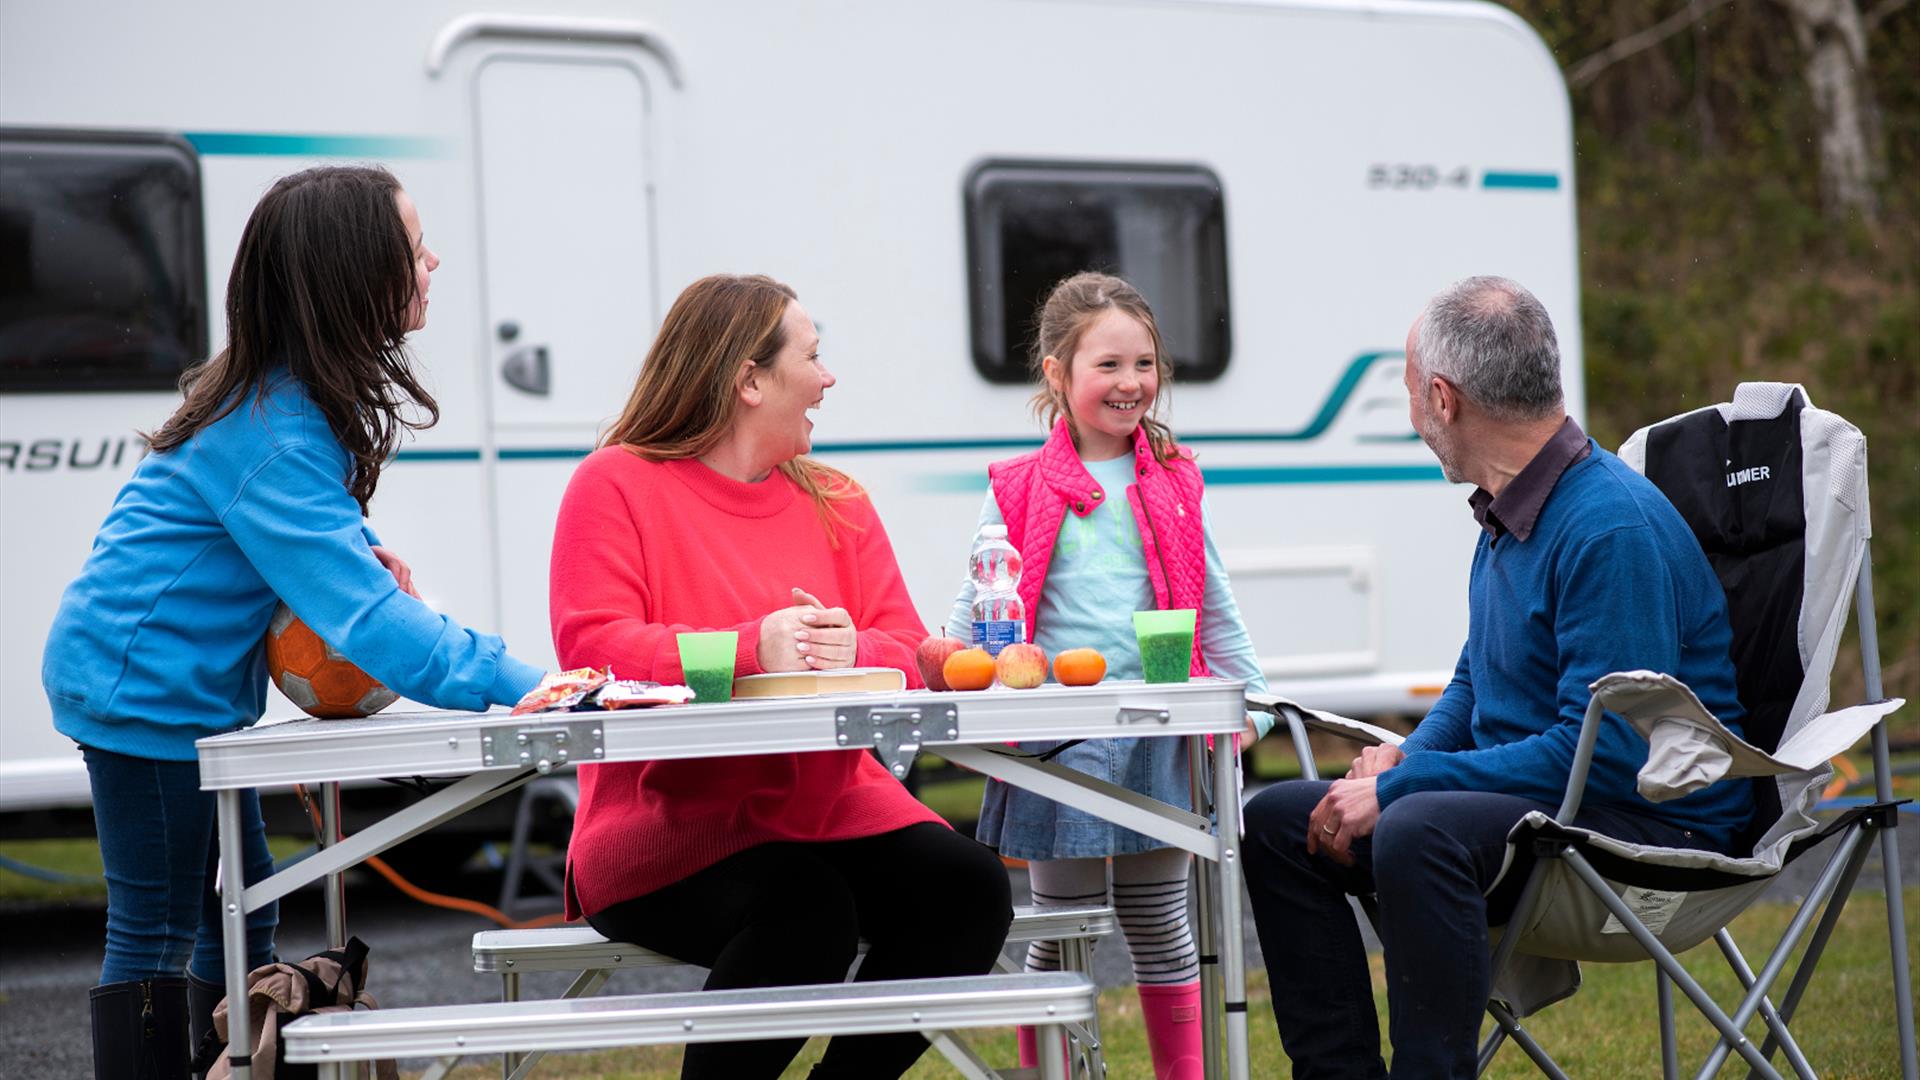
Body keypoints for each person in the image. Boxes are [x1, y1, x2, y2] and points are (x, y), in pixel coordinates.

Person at [41, 165, 548, 1080]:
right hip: (142, 693)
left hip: (163, 688)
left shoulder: (289, 405)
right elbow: (374, 627)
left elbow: (319, 555)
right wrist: (533, 688)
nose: (433, 261)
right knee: (157, 930)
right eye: (413, 246)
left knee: (248, 911)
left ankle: (223, 1063)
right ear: (353, 272)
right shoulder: (272, 426)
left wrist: (360, 553)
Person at [1241, 276, 1755, 1079]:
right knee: (1276, 819)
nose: (1412, 418)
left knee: (1416, 828)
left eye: (1410, 393)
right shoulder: (1510, 510)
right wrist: (1404, 765)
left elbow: (1609, 755)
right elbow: (1474, 687)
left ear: (1442, 399)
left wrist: (1407, 791)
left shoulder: (1607, 527)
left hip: (1647, 830)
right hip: (1539, 811)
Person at [547, 273, 1014, 1080]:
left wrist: (852, 651)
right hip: (663, 825)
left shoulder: (838, 500)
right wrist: (747, 647)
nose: (829, 378)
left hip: (835, 810)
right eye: (814, 356)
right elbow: (592, 647)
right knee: (805, 910)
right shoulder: (614, 482)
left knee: (969, 887)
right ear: (749, 379)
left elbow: (906, 645)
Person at [945, 271, 1269, 1080]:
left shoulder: (1174, 477)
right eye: (1109, 366)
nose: (1132, 384)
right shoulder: (1018, 489)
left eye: (1145, 365)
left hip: (1160, 724)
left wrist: (1248, 695)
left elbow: (1211, 594)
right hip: (1062, 733)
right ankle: (1057, 1072)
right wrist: (947, 678)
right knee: (1060, 922)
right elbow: (976, 600)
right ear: (1056, 372)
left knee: (1161, 918)